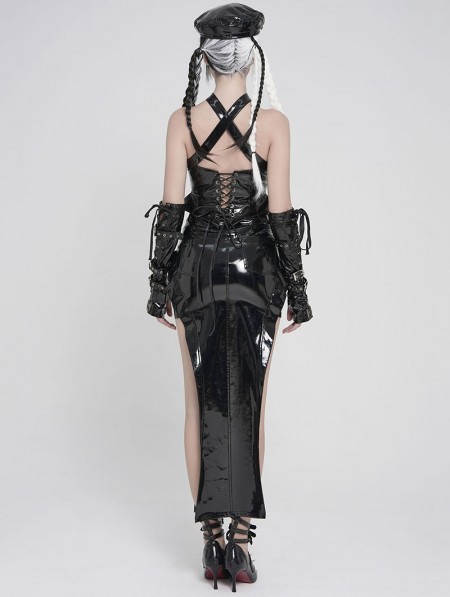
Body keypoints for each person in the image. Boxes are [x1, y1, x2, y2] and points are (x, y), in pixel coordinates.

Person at [144, 3, 313, 591]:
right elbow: (281, 213)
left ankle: (210, 541)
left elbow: (171, 209)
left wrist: (158, 283)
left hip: (196, 267)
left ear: (207, 58)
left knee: (198, 403)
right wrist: (299, 289)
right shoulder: (274, 124)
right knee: (251, 403)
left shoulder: (181, 120)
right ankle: (240, 544)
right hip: (255, 269)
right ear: (252, 56)